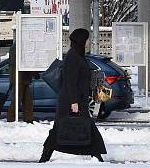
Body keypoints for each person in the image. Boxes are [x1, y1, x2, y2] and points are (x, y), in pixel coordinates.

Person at [39, 28, 107, 163]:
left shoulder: (78, 54)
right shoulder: (73, 56)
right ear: (82, 40)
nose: (89, 41)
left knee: (73, 127)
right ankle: (97, 157)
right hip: (71, 100)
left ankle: (97, 156)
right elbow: (70, 81)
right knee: (66, 128)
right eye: (87, 38)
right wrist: (74, 102)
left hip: (77, 99)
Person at [7, 42, 34, 123]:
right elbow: (18, 62)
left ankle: (28, 118)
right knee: (17, 99)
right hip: (18, 78)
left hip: (24, 78)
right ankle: (11, 118)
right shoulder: (16, 47)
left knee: (27, 100)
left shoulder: (20, 46)